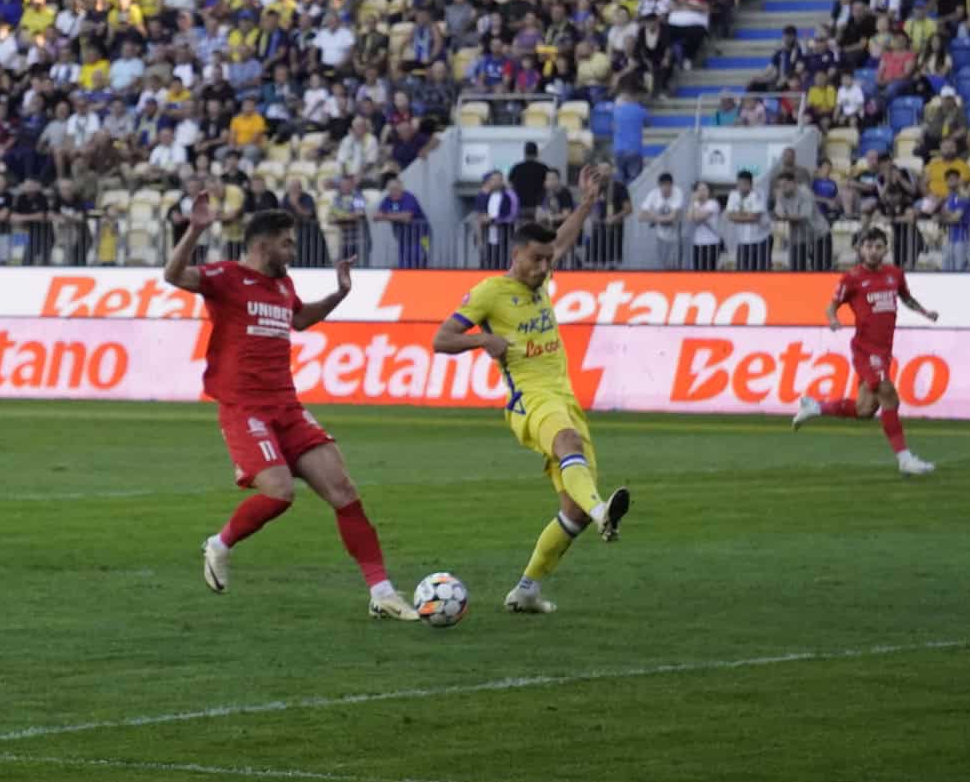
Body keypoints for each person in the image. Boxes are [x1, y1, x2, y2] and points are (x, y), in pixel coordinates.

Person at [163, 200, 417, 621]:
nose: (293, 251)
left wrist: (339, 293)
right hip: (245, 408)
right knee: (280, 493)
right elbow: (173, 275)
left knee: (344, 493)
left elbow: (300, 320)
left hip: (288, 407)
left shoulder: (283, 286)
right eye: (287, 243)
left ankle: (382, 592)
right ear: (263, 245)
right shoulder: (227, 277)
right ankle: (219, 544)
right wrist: (194, 230)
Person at [430, 166, 631, 615]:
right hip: (528, 400)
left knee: (571, 511)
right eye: (536, 260)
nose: (545, 267)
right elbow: (440, 340)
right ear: (516, 254)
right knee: (568, 444)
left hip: (564, 396)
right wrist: (483, 339)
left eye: (547, 261)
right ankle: (603, 512)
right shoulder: (489, 293)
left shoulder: (541, 274)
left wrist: (588, 201)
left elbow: (561, 240)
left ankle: (526, 589)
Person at [792, 227, 940, 476]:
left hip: (884, 350)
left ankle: (815, 408)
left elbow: (906, 298)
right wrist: (833, 319)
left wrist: (925, 312)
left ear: (886, 249)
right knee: (889, 396)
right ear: (860, 249)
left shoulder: (895, 274)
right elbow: (832, 306)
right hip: (865, 350)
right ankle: (905, 459)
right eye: (868, 246)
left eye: (878, 246)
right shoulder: (852, 278)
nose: (873, 251)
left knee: (865, 410)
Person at [374, 179, 431, 268]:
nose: (393, 192)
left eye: (395, 189)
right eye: (391, 190)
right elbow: (376, 216)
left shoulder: (409, 198)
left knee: (420, 262)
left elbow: (406, 217)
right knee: (404, 266)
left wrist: (387, 215)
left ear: (401, 188)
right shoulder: (388, 199)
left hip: (422, 237)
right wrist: (397, 216)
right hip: (403, 240)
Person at [725, 171, 773, 271]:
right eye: (739, 184)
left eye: (744, 183)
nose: (741, 187)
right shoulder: (733, 195)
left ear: (750, 184)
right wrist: (748, 216)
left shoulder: (759, 194)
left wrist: (738, 216)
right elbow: (729, 216)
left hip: (761, 240)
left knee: (761, 272)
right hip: (742, 241)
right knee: (743, 271)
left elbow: (755, 217)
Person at [638, 172, 687, 267]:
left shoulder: (678, 192)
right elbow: (640, 216)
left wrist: (653, 217)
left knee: (674, 266)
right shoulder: (653, 194)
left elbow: (674, 216)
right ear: (659, 186)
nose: (665, 189)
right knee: (663, 265)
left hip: (676, 237)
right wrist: (661, 218)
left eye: (668, 186)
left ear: (672, 185)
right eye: (663, 186)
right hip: (660, 236)